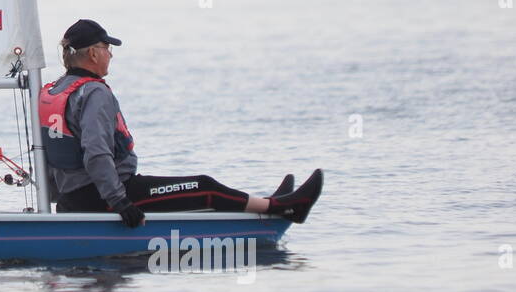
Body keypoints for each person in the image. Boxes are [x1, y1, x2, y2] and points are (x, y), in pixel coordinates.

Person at [39, 19, 322, 226]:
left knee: (199, 189)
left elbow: (49, 154)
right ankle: (282, 208)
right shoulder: (94, 93)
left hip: (74, 199)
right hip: (107, 196)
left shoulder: (55, 91)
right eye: (106, 48)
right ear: (92, 53)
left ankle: (268, 204)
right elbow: (96, 152)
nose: (110, 54)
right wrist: (120, 203)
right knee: (204, 187)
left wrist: (60, 202)